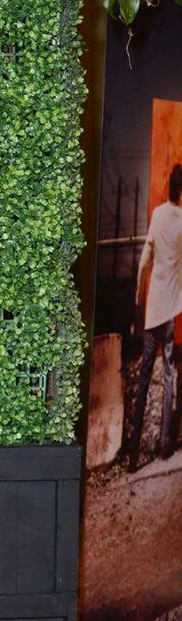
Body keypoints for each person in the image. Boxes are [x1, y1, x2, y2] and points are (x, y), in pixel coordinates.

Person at [130, 162, 182, 469]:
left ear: (168, 187)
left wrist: (138, 301)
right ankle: (165, 446)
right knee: (169, 375)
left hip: (153, 316)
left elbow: (144, 263)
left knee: (145, 377)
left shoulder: (158, 215)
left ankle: (135, 455)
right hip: (172, 314)